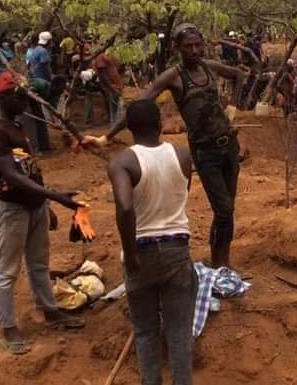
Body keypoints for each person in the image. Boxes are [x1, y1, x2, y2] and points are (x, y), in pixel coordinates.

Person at [84, 23, 245, 268]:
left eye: (197, 45)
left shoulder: (209, 68)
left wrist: (234, 107)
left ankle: (223, 260)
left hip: (229, 146)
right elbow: (138, 107)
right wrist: (107, 137)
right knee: (223, 209)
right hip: (204, 151)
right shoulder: (174, 76)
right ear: (178, 48)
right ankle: (220, 263)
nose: (194, 50)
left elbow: (238, 75)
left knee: (228, 209)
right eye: (188, 46)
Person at [0, 71, 86, 355]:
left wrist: (46, 205)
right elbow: (11, 175)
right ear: (6, 98)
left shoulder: (18, 126)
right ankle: (7, 326)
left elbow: (30, 171)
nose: (27, 100)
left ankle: (50, 311)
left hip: (34, 206)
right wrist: (53, 197)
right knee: (7, 271)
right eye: (22, 95)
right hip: (14, 208)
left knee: (39, 264)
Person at [107, 99, 196, 385]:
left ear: (129, 128)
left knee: (146, 332)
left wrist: (131, 254)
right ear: (160, 125)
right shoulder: (182, 156)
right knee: (179, 331)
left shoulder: (122, 161)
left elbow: (124, 207)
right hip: (177, 249)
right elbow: (182, 192)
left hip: (141, 252)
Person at [94, 50, 123, 123]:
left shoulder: (109, 54)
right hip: (111, 86)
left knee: (116, 107)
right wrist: (111, 88)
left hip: (116, 85)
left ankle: (116, 124)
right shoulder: (100, 57)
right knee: (114, 107)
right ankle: (114, 125)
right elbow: (103, 75)